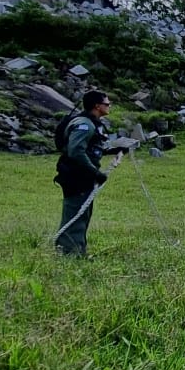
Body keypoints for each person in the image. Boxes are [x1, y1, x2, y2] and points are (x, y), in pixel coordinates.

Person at [54, 89, 111, 256]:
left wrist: (115, 150)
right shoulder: (84, 125)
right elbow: (76, 151)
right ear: (97, 106)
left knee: (83, 213)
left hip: (83, 175)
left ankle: (78, 251)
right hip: (76, 176)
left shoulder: (91, 123)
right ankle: (69, 254)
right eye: (107, 104)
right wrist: (95, 172)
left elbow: (91, 148)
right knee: (75, 214)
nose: (109, 106)